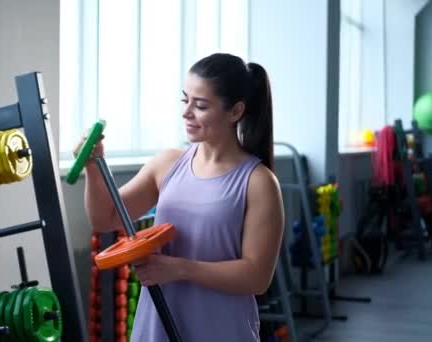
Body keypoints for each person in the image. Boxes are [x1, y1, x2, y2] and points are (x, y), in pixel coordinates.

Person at [77, 53, 285, 341]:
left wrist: (178, 269)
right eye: (184, 99)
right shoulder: (167, 164)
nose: (186, 112)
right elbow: (105, 218)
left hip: (221, 329)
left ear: (235, 112)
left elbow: (257, 277)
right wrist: (93, 168)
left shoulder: (259, 182)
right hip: (157, 326)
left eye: (200, 105)